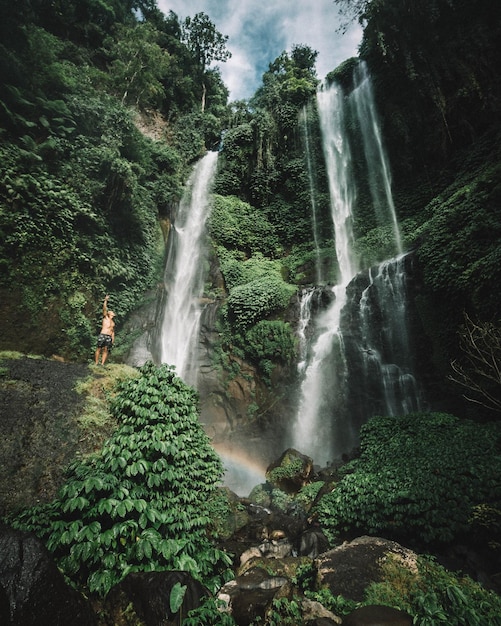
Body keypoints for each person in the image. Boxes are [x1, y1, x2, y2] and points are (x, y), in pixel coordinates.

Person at [95, 295, 116, 365]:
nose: (113, 315)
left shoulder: (113, 323)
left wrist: (113, 338)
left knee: (105, 350)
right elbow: (104, 308)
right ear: (109, 314)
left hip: (109, 337)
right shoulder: (105, 318)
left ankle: (102, 363)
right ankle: (96, 362)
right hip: (103, 334)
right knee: (99, 348)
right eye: (112, 314)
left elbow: (112, 331)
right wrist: (105, 300)